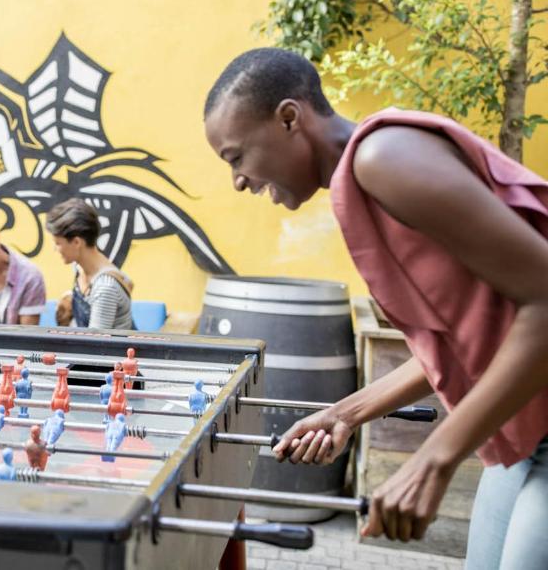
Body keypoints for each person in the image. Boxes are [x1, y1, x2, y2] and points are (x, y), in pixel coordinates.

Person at [202, 47, 548, 567]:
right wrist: (345, 414)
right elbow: (466, 345)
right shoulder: (367, 178)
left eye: (236, 156)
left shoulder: (380, 158)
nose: (239, 181)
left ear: (290, 118)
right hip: (524, 430)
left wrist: (433, 459)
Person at [45, 198, 134, 330]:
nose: (55, 249)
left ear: (76, 242)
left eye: (58, 243)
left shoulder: (105, 287)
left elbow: (94, 345)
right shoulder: (79, 266)